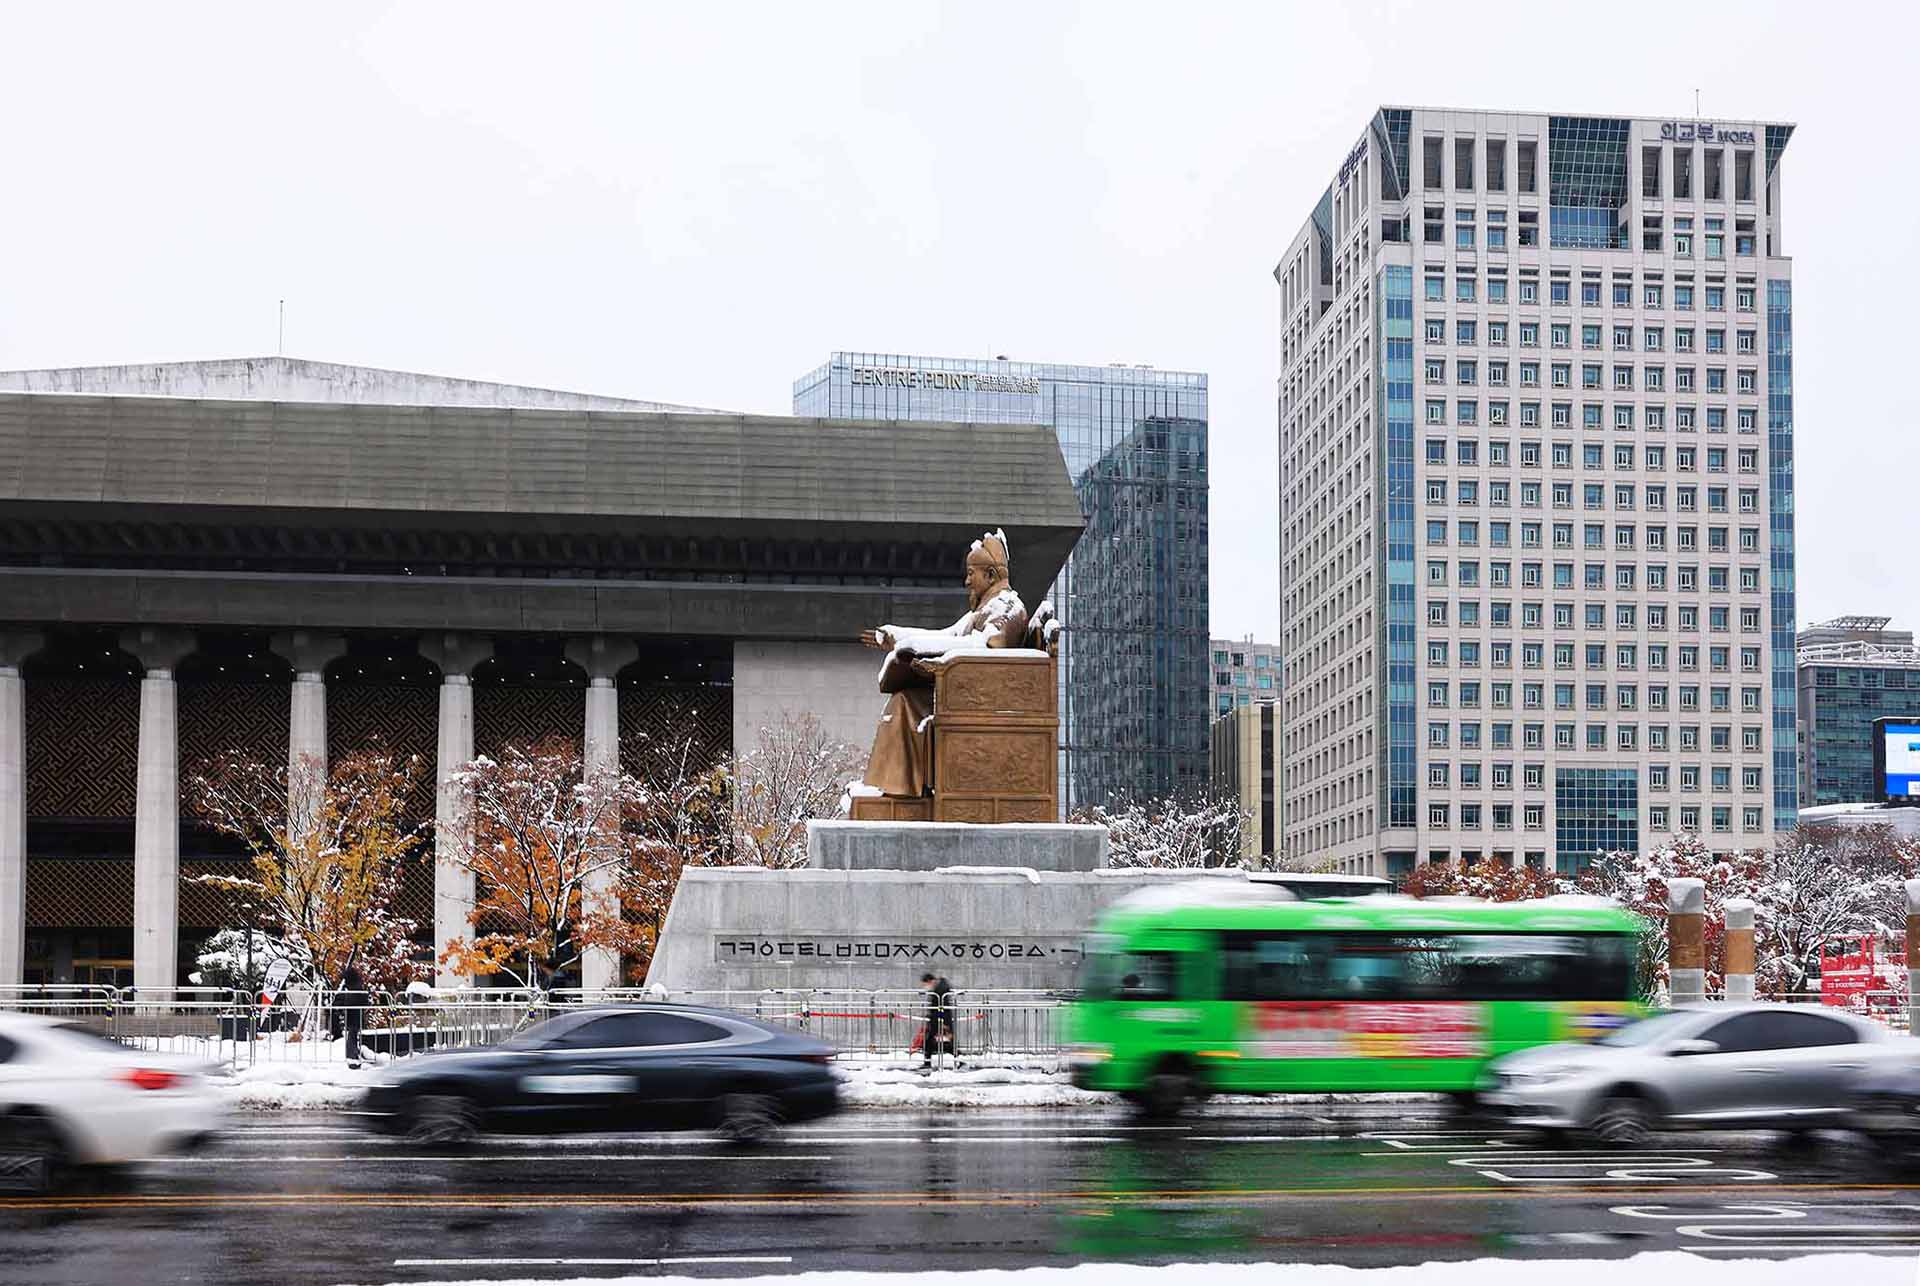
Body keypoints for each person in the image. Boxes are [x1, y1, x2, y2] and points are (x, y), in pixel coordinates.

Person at [857, 530, 1027, 799]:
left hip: (977, 701)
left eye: (971, 573)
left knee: (905, 704)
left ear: (991, 575)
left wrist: (925, 654)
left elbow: (989, 644)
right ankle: (895, 786)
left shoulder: (1007, 607)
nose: (967, 581)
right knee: (904, 699)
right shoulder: (982, 609)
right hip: (963, 695)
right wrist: (896, 636)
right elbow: (946, 635)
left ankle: (900, 790)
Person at [919, 972, 955, 1072]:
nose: (925, 987)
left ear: (930, 981)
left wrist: (944, 1024)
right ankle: (927, 1063)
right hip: (938, 1020)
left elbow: (943, 1008)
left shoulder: (940, 990)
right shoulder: (938, 989)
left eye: (925, 984)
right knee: (931, 1042)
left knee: (943, 1043)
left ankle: (959, 1060)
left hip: (940, 1020)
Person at [337, 964, 369, 1066]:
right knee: (353, 1035)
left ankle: (352, 1056)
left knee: (352, 1035)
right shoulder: (356, 985)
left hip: (353, 1014)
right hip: (355, 1014)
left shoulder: (353, 987)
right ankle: (353, 1054)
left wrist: (342, 1005)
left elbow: (350, 1000)